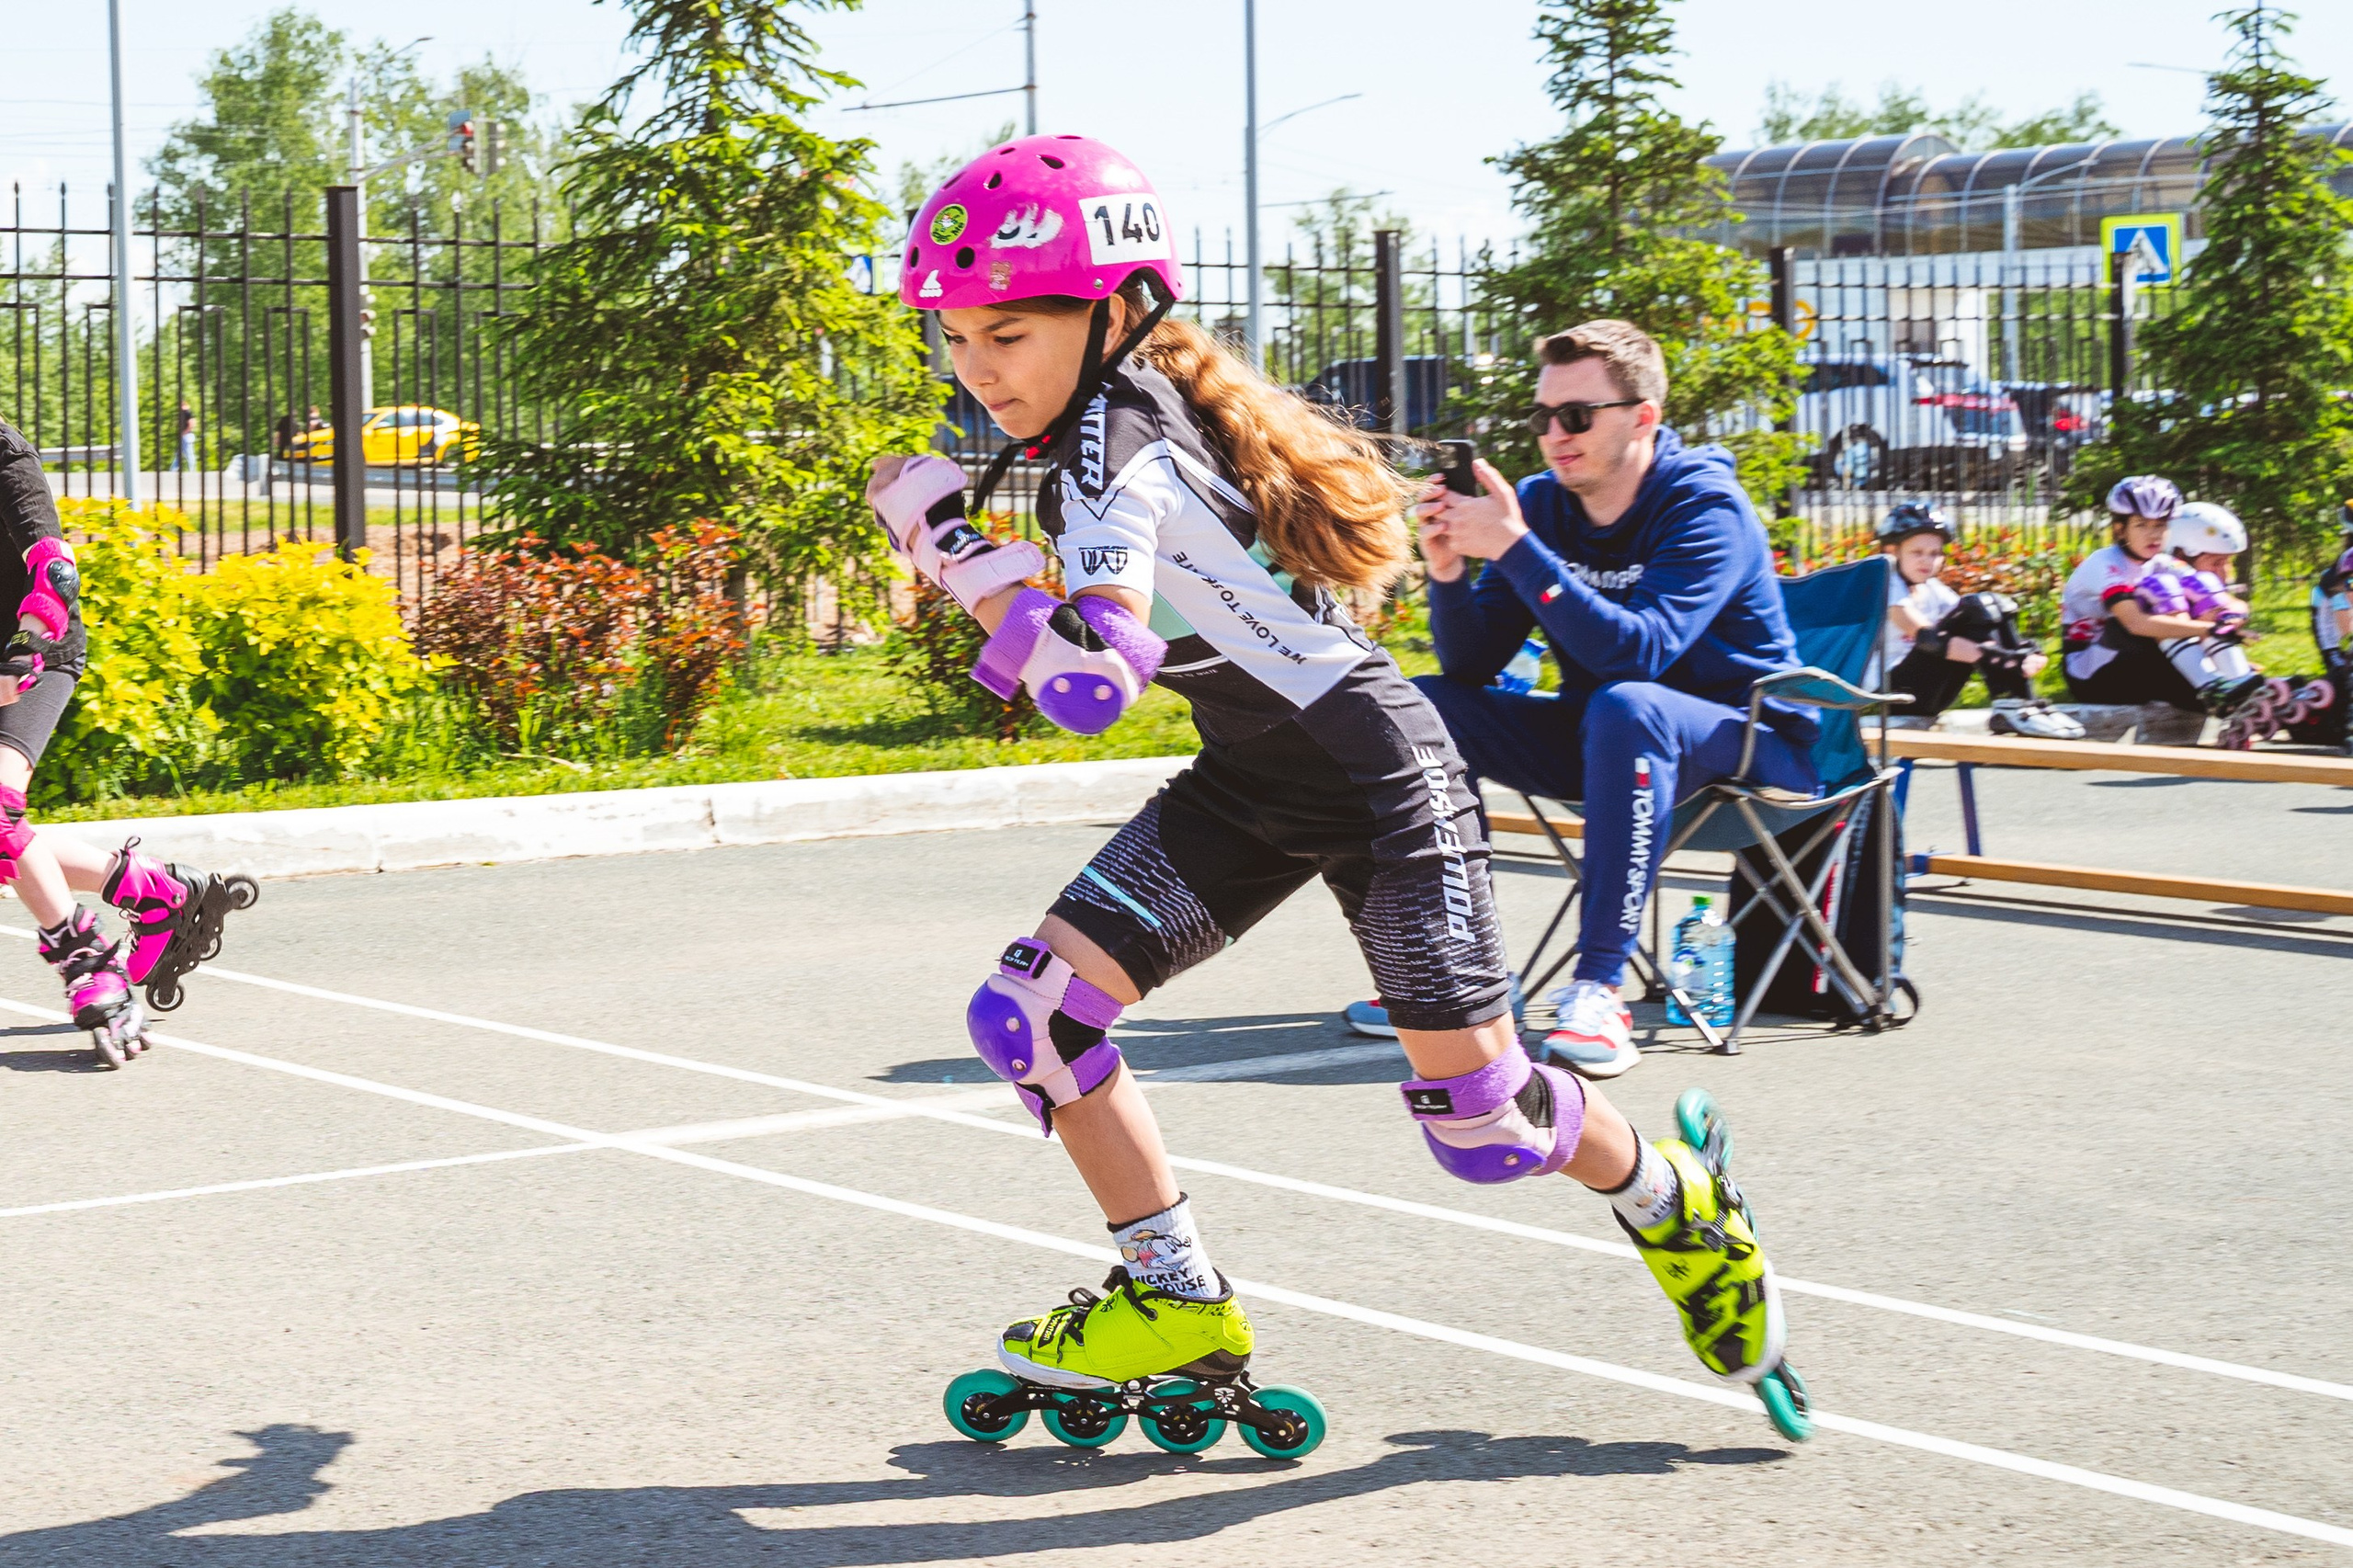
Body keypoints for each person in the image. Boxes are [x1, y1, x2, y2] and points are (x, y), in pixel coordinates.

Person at [877, 137, 1809, 1449]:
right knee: (1031, 1015)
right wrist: (976, 549)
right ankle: (1174, 1297)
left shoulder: (1113, 447)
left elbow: (1085, 683)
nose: (977, 368)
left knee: (1485, 1127)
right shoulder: (1115, 417)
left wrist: (947, 542)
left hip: (1380, 780)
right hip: (1255, 779)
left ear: (1114, 311)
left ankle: (1678, 1201)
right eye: (958, 335)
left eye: (1009, 332)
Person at [1344, 321, 1819, 1081]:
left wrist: (1516, 549)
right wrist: (1450, 574)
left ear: (1642, 417)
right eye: (1543, 417)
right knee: (1425, 707)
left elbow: (1640, 654)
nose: (1554, 436)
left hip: (1751, 742)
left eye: (1575, 416)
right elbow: (1472, 663)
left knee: (1630, 703)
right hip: (1611, 738)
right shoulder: (1541, 506)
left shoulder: (1705, 506)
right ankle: (1461, 976)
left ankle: (1600, 990)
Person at [0, 415, 256, 1065]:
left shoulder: (5, 456)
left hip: (33, 654)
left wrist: (26, 647)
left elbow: (54, 570)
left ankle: (90, 965)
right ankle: (150, 888)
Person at [2061, 477, 2271, 725]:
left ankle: (2238, 682)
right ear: (2120, 529)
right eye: (2141, 525)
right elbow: (2136, 624)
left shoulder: (2163, 563)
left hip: (2140, 666)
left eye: (2160, 525)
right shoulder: (2104, 563)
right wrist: (2210, 630)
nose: (2153, 534)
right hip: (2093, 676)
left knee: (2203, 584)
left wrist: (2230, 618)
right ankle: (2211, 686)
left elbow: (2228, 602)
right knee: (2160, 591)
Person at [1872, 501, 2083, 739]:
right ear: (1892, 551)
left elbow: (1976, 620)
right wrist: (1999, 658)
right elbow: (1927, 638)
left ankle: (2022, 703)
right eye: (1917, 552)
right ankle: (2013, 705)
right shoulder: (1887, 584)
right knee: (1975, 609)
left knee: (1988, 605)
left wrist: (2022, 651)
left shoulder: (1931, 587)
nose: (1927, 561)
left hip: (1922, 690)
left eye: (1935, 553)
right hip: (1888, 694)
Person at [172, 401, 196, 473]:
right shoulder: (183, 413)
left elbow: (192, 423)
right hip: (184, 436)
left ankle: (192, 471)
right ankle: (172, 471)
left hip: (187, 436)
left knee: (189, 454)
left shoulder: (187, 412)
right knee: (178, 455)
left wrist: (185, 432)